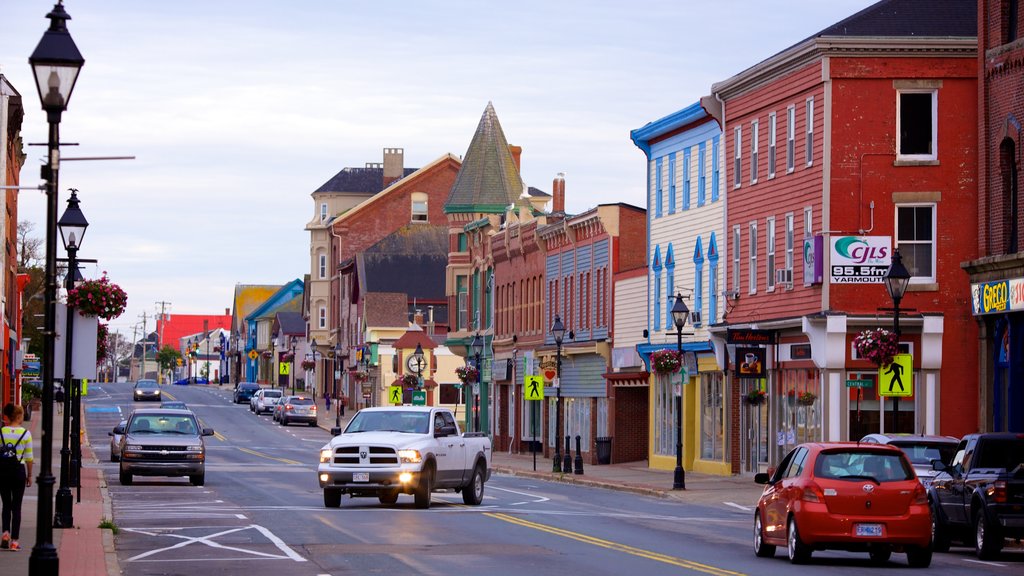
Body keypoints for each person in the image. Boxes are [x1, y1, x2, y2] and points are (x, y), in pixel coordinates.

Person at [1, 403, 33, 552]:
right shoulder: (25, 434)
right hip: (19, 471)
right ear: (19, 416)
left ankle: (5, 534)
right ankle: (14, 541)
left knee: (6, 505)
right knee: (17, 507)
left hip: (3, 471)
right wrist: (30, 475)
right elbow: (29, 458)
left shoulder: (2, 432)